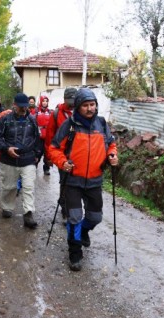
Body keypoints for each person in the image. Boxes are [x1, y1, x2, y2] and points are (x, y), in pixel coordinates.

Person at [48, 88, 118, 271]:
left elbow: (111, 144)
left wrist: (112, 155)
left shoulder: (102, 124)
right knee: (74, 217)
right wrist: (63, 163)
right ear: (78, 107)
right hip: (72, 180)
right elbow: (54, 148)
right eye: (85, 105)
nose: (89, 109)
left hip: (95, 180)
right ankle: (75, 251)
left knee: (95, 217)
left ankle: (85, 231)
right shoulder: (69, 126)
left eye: (92, 105)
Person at [0, 93, 42, 229]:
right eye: (21, 107)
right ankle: (7, 207)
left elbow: (37, 138)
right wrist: (6, 148)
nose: (24, 109)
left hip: (27, 159)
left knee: (28, 187)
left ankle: (28, 213)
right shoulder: (5, 120)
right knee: (9, 187)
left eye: (26, 106)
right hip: (8, 160)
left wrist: (37, 154)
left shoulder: (32, 120)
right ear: (14, 105)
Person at [45, 87, 77, 220]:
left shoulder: (80, 111)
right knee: (64, 180)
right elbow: (50, 135)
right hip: (61, 154)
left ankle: (70, 204)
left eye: (74, 100)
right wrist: (49, 156)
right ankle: (65, 209)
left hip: (77, 154)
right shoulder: (56, 113)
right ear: (64, 99)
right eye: (69, 100)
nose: (72, 103)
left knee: (75, 182)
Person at [34, 95, 52, 175]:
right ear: (41, 102)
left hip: (48, 137)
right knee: (38, 153)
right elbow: (33, 123)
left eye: (46, 101)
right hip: (39, 136)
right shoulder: (36, 111)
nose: (45, 103)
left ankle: (46, 168)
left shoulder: (50, 112)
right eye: (43, 101)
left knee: (47, 154)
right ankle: (34, 167)